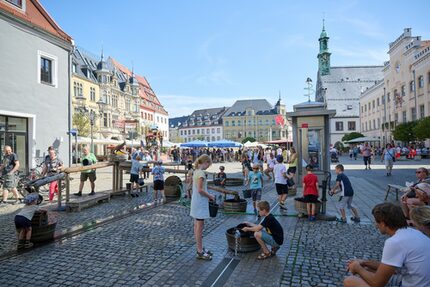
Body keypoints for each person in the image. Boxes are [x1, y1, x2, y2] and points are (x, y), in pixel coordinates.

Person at [344, 202, 430, 287]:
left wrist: (357, 268)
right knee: (367, 269)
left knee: (349, 281)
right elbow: (391, 268)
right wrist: (364, 263)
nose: (376, 225)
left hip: (410, 283)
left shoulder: (395, 242)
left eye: (376, 222)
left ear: (383, 223)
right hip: (415, 280)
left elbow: (377, 283)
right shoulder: (413, 232)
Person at [190, 154, 215, 260]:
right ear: (205, 162)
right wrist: (210, 196)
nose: (208, 167)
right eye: (208, 165)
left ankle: (199, 248)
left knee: (196, 227)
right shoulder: (201, 173)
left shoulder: (196, 171)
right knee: (199, 228)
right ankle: (200, 251)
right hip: (200, 203)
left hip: (195, 202)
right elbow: (200, 189)